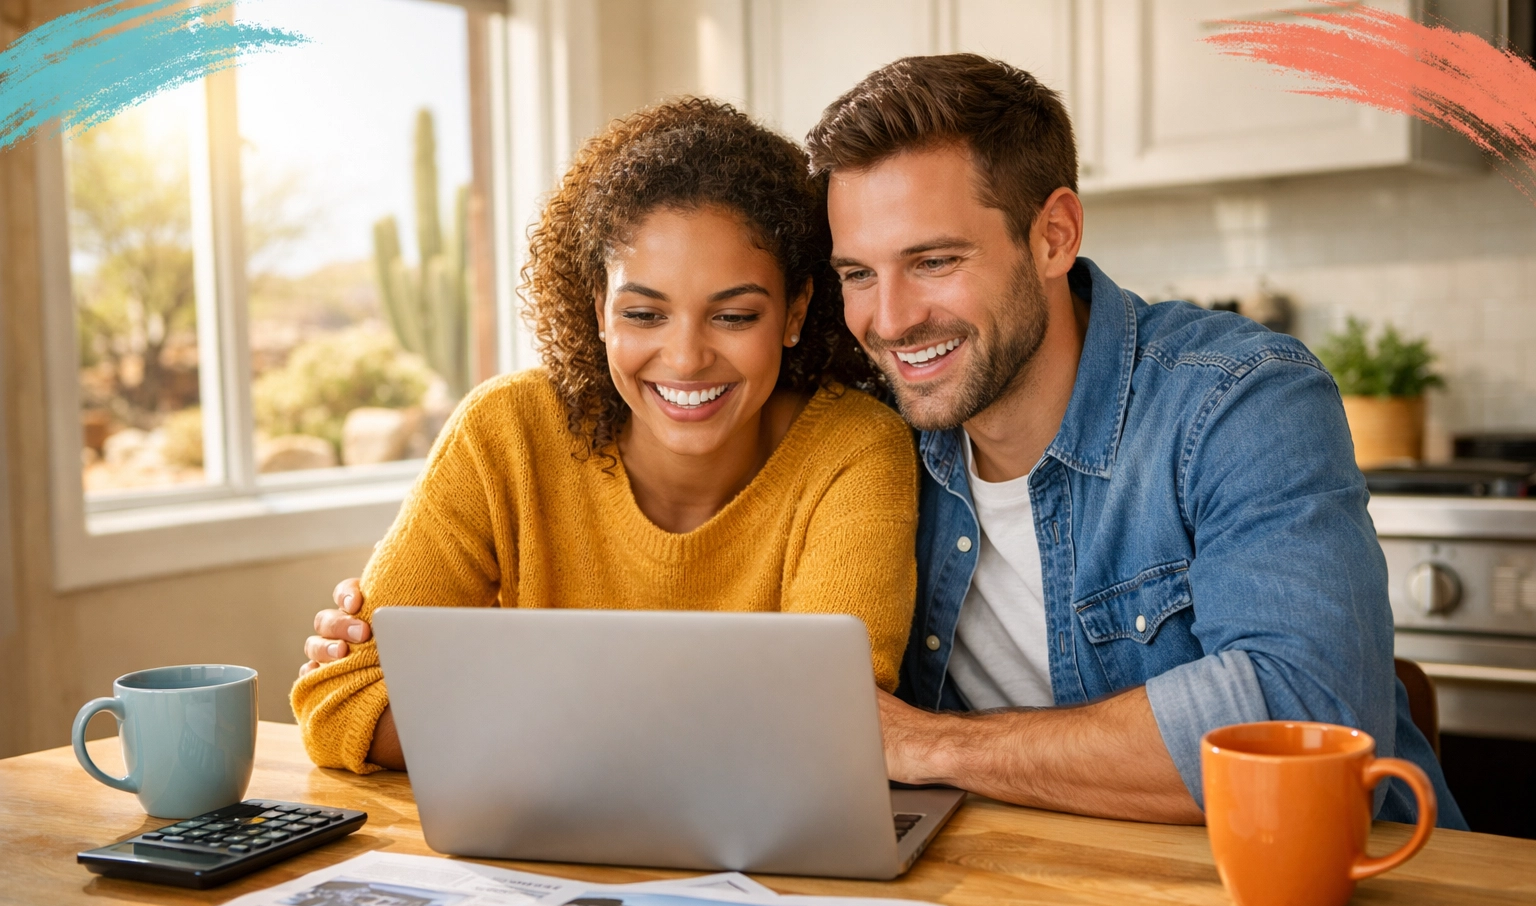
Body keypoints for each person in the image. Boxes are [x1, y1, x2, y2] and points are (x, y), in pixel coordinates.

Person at [308, 56, 1463, 828]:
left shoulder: (1237, 401)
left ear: (1054, 232)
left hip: (1353, 905)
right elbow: (760, 713)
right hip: (1036, 891)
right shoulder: (887, 431)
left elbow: (1308, 713)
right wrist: (489, 660)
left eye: (936, 261)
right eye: (860, 272)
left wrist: (936, 746)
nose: (892, 318)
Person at [292, 98, 919, 774]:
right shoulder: (505, 433)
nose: (684, 358)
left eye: (733, 315)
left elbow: (823, 725)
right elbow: (340, 701)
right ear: (598, 310)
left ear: (794, 312)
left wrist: (496, 706)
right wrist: (704, 720)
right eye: (644, 313)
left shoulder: (854, 451)